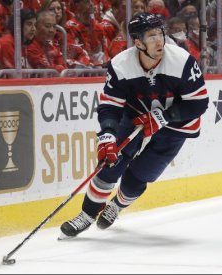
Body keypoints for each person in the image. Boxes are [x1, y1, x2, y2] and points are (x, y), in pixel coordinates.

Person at [59, 12, 209, 239]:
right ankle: (87, 215)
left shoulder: (182, 61)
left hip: (176, 125)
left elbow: (198, 104)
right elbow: (110, 105)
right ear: (138, 42)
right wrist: (107, 135)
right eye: (151, 36)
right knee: (110, 163)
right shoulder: (121, 65)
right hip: (136, 115)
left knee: (139, 176)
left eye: (160, 34)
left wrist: (163, 117)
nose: (159, 41)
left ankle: (117, 205)